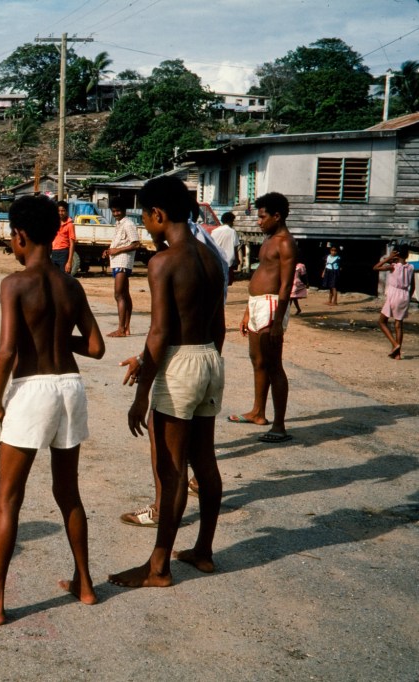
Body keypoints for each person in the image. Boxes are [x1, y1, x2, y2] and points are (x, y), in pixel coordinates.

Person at [0, 194, 104, 625]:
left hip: (33, 391)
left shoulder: (14, 284)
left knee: (7, 498)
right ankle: (86, 584)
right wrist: (58, 340)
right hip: (70, 386)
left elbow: (5, 352)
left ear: (19, 236)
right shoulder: (71, 284)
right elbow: (95, 347)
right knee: (68, 492)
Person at [107, 175, 226, 589]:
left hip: (178, 365)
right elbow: (219, 324)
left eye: (146, 218)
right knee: (205, 461)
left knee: (172, 469)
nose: (146, 225)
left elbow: (159, 333)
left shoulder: (163, 263)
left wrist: (142, 393)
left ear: (158, 214)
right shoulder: (211, 260)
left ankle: (158, 567)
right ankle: (204, 551)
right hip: (211, 358)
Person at [228, 192, 297, 444]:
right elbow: (262, 275)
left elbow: (286, 284)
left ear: (277, 216)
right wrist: (247, 310)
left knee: (273, 365)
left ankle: (279, 425)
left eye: (263, 217)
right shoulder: (269, 239)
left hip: (271, 306)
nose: (259, 221)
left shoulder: (286, 243)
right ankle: (258, 412)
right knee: (257, 361)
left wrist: (278, 320)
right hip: (257, 305)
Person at [104, 196, 140, 337]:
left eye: (118, 211)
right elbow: (119, 243)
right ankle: (126, 328)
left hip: (123, 262)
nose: (115, 214)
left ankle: (121, 329)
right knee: (124, 294)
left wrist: (117, 250)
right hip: (117, 261)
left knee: (118, 294)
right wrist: (109, 250)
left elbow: (136, 243)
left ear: (124, 210)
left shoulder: (128, 224)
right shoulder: (119, 224)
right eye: (113, 211)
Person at [374, 245, 415, 360]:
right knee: (399, 325)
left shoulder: (393, 267)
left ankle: (395, 344)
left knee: (382, 322)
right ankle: (397, 354)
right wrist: (407, 297)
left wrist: (388, 258)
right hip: (405, 295)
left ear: (396, 255)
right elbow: (413, 287)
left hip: (394, 294)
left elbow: (375, 268)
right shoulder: (411, 267)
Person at [211, 212, 240, 285]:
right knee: (226, 283)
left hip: (217, 260)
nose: (233, 223)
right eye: (233, 221)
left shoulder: (214, 231)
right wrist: (237, 260)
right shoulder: (232, 232)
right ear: (230, 221)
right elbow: (235, 247)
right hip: (228, 261)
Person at [51, 201, 75, 274]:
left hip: (64, 253)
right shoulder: (54, 223)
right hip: (54, 253)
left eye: (63, 211)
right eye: (58, 211)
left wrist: (69, 262)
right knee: (54, 278)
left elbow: (72, 244)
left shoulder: (70, 225)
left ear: (66, 211)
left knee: (64, 279)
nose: (60, 213)